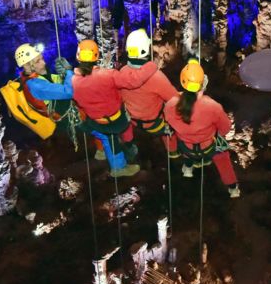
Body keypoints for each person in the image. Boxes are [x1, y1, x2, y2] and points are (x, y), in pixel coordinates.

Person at [72, 39, 157, 178]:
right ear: (96, 56)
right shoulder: (108, 75)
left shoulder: (73, 81)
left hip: (93, 122)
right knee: (112, 137)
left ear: (78, 57)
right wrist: (152, 66)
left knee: (103, 134)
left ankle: (101, 152)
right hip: (116, 122)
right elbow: (134, 81)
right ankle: (119, 168)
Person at [163, 59, 241, 198]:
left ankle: (188, 168)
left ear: (183, 81)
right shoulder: (212, 106)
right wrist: (212, 133)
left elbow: (170, 123)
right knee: (223, 157)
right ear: (202, 83)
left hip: (186, 147)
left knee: (178, 139)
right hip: (208, 147)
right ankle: (232, 188)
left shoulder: (171, 105)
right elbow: (226, 128)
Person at [118, 29, 178, 152]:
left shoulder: (122, 72)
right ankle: (173, 153)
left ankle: (129, 144)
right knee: (173, 120)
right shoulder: (156, 77)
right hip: (154, 123)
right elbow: (174, 99)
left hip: (133, 120)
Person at [14, 43, 75, 132]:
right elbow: (69, 92)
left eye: (42, 58)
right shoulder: (36, 86)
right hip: (63, 125)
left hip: (64, 115)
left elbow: (53, 83)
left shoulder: (36, 76)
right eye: (38, 61)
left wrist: (64, 74)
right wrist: (69, 71)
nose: (44, 63)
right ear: (27, 66)